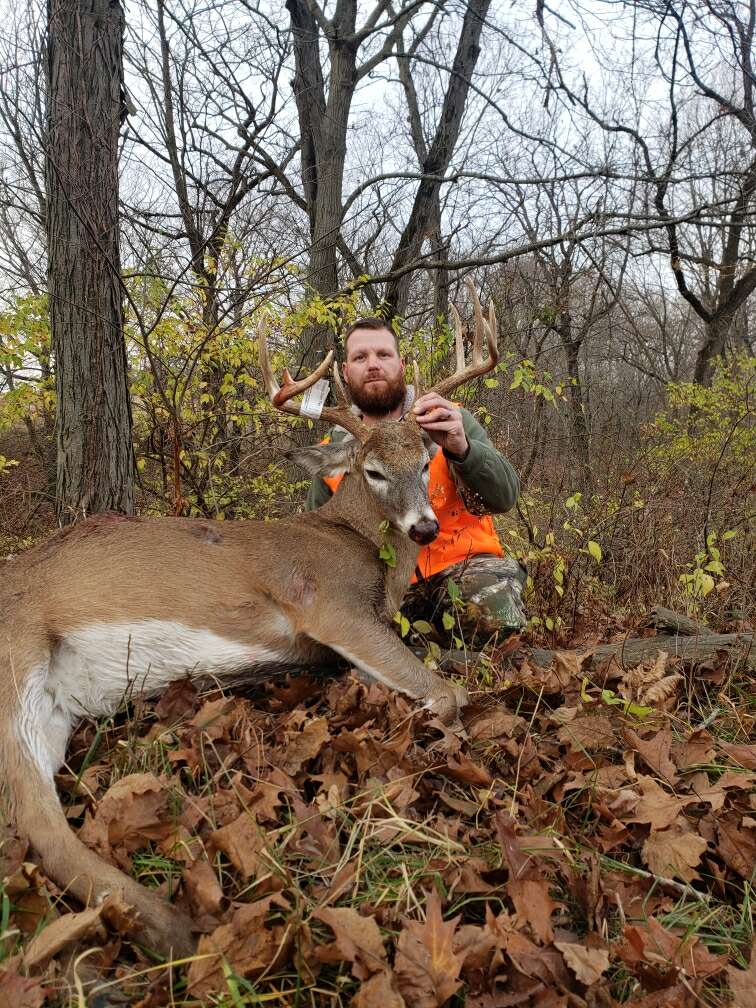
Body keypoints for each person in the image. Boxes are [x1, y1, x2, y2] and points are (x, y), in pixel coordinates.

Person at [305, 316, 527, 646]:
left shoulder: (449, 420)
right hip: (385, 584)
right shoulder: (334, 453)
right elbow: (315, 542)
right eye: (360, 358)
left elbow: (505, 497)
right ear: (346, 372)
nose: (373, 365)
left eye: (383, 355)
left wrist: (461, 447)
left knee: (495, 621)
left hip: (462, 569)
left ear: (402, 364)